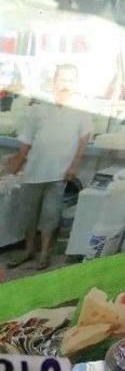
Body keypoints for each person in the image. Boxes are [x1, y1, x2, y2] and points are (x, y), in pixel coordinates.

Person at [4, 64, 93, 270]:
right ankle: (28, 251)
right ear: (54, 82)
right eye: (62, 79)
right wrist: (16, 163)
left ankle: (44, 254)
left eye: (70, 80)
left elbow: (84, 138)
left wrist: (74, 165)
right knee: (28, 215)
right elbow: (26, 141)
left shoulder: (80, 110)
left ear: (75, 84)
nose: (66, 85)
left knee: (50, 216)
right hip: (33, 171)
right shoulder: (38, 108)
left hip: (58, 173)